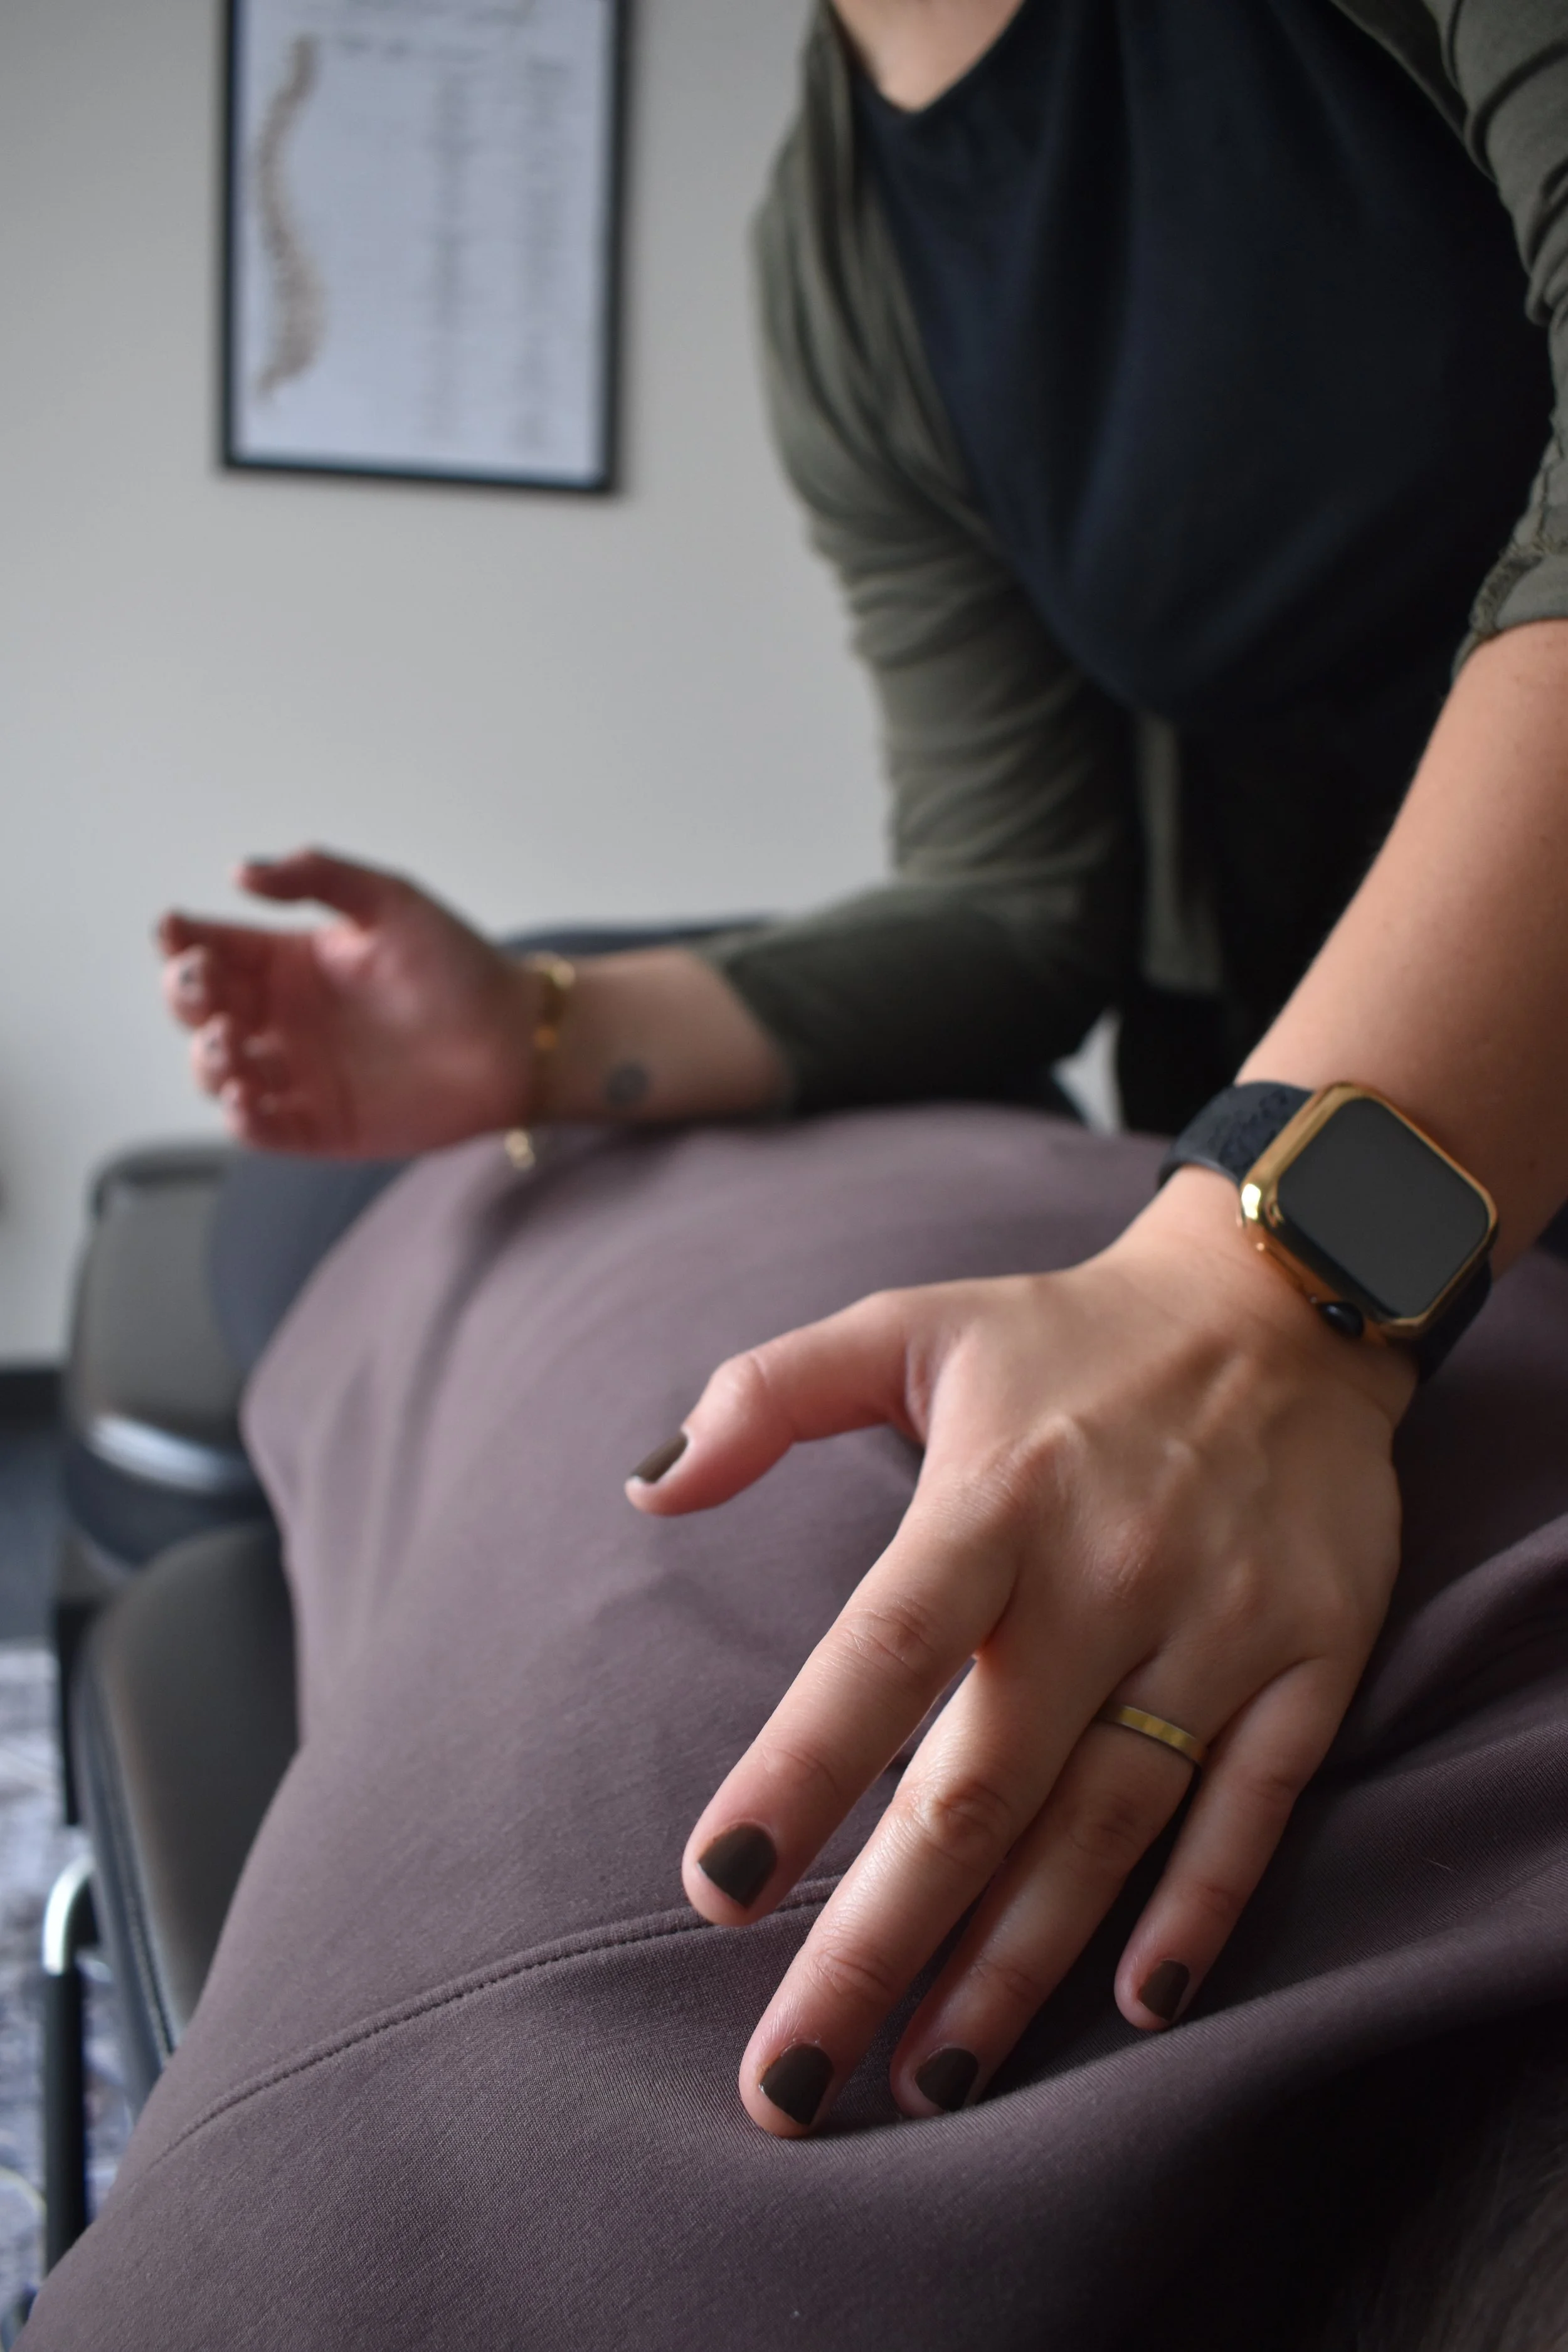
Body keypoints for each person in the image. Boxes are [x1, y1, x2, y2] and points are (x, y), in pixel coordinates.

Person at [29, 3, 1568, 2345]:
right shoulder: (846, 229)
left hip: (1323, 1252)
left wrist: (1282, 1286)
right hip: (1243, 1215)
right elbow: (1014, 887)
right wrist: (546, 1032)